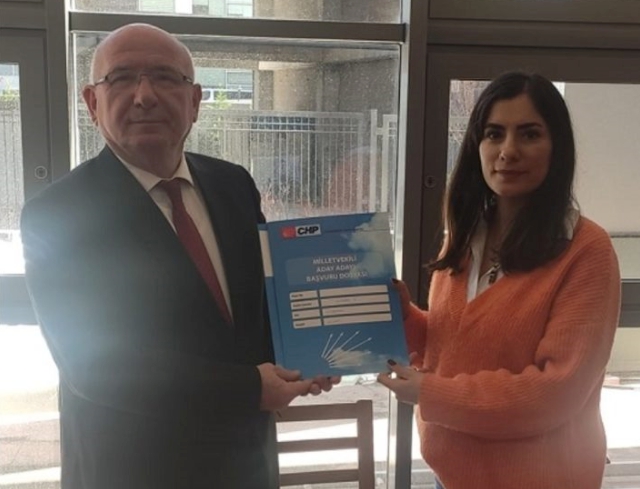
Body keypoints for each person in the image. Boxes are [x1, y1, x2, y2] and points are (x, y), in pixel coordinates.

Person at [21, 23, 337, 489]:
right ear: (91, 102)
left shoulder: (234, 185)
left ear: (194, 101)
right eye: (121, 78)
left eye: (166, 77)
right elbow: (95, 367)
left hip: (246, 467)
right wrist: (252, 388)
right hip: (133, 472)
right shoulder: (57, 214)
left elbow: (261, 308)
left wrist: (318, 346)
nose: (144, 96)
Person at [378, 72, 621, 489]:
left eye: (529, 134)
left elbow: (554, 393)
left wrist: (432, 394)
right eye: (494, 134)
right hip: (450, 476)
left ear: (557, 147)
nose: (508, 151)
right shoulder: (464, 235)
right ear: (477, 145)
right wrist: (405, 319)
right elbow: (454, 340)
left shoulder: (586, 251)